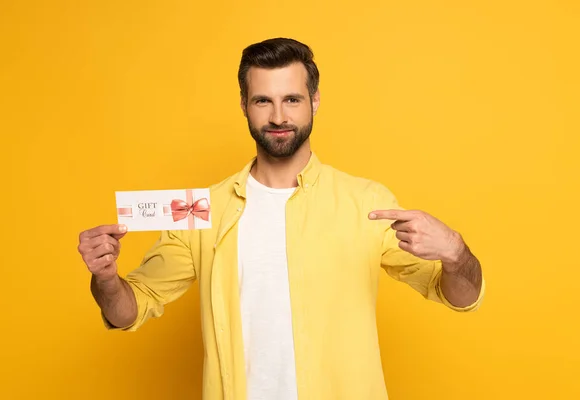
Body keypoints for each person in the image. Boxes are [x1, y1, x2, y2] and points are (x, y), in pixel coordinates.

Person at [77, 37, 485, 400]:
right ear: (244, 105)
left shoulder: (366, 202)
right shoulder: (204, 209)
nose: (278, 116)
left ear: (315, 101)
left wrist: (456, 253)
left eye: (292, 99)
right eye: (262, 100)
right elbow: (130, 310)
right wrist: (107, 278)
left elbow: (457, 297)